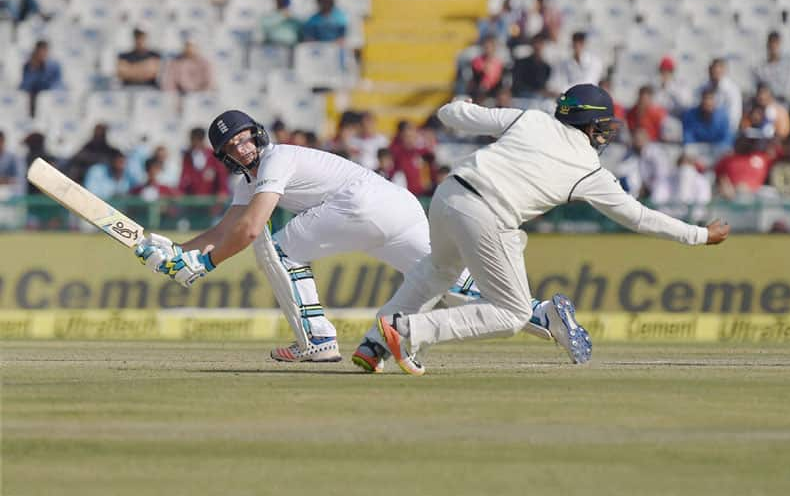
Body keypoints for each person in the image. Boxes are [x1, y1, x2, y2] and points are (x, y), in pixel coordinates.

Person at [354, 84, 731, 376]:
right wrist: (699, 235)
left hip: (447, 194)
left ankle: (374, 344)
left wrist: (457, 103)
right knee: (513, 313)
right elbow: (639, 217)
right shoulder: (589, 170)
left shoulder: (531, 118)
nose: (605, 136)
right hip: (487, 212)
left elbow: (455, 116)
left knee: (437, 271)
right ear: (591, 125)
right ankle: (406, 331)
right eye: (602, 128)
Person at [135, 111, 560, 366]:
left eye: (245, 138)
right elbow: (223, 229)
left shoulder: (277, 158)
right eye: (233, 145)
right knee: (446, 279)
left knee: (276, 247)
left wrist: (204, 266)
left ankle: (316, 339)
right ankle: (541, 314)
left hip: (362, 204)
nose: (243, 147)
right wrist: (176, 253)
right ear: (225, 155)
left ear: (258, 135)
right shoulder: (249, 181)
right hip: (399, 205)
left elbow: (248, 230)